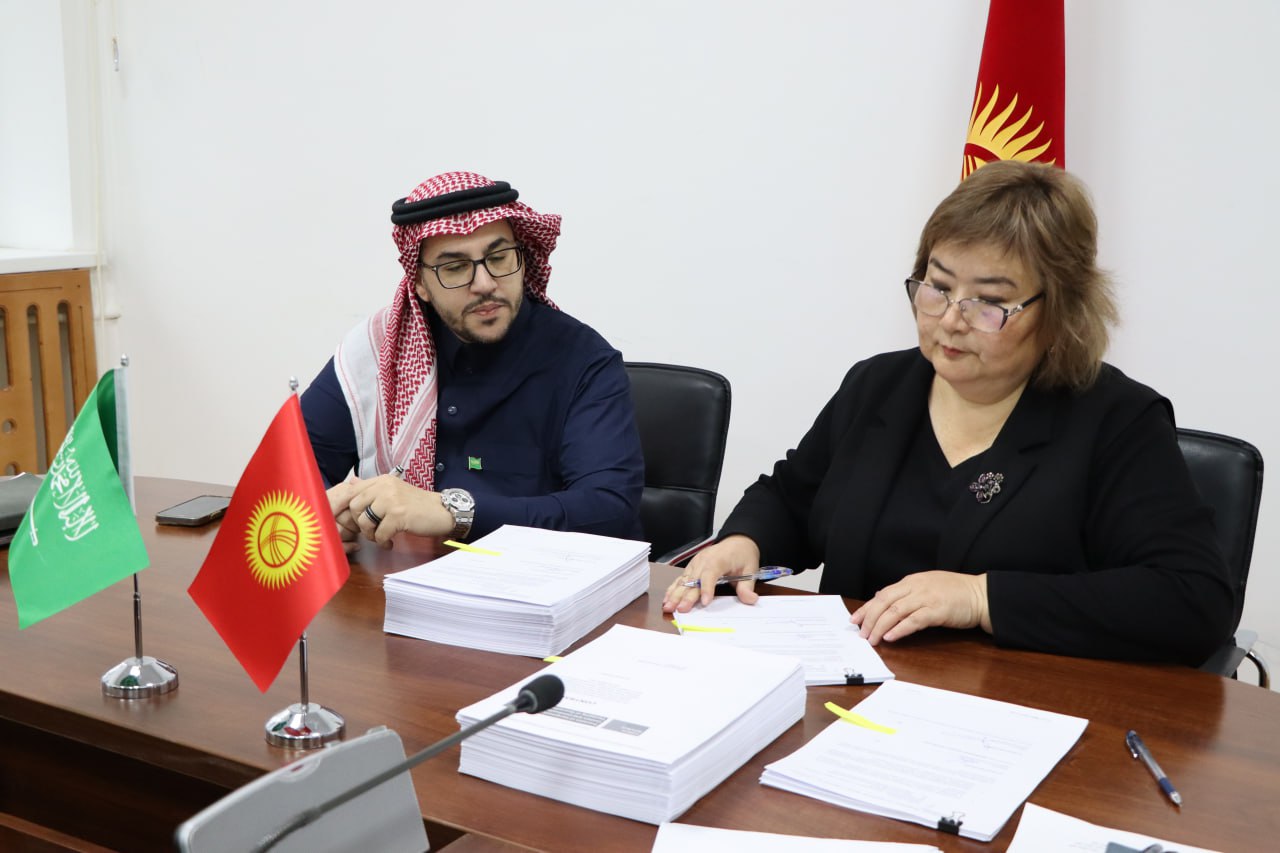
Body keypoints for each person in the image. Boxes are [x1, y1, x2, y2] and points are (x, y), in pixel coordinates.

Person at [663, 161, 1235, 666]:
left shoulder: (1117, 420)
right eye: (937, 287)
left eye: (989, 302)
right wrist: (745, 541)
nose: (951, 320)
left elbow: (1193, 599)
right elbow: (792, 499)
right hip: (855, 686)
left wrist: (981, 597)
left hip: (1022, 707)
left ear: (1059, 310)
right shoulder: (879, 386)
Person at [302, 171, 644, 551]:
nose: (484, 283)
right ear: (419, 284)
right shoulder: (380, 350)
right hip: (396, 579)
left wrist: (453, 512)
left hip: (535, 580)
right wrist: (324, 515)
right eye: (455, 267)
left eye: (499, 258)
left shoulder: (582, 361)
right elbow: (293, 467)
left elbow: (608, 511)